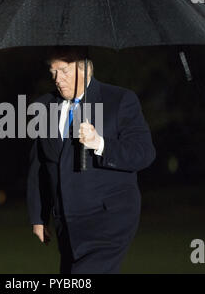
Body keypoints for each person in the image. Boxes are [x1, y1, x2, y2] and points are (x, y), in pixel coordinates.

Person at [26, 46, 156, 274]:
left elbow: (143, 153)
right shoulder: (44, 107)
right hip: (67, 222)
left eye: (64, 71)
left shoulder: (120, 100)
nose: (57, 79)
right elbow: (39, 165)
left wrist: (100, 144)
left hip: (108, 219)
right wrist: (39, 216)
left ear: (85, 69)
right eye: (53, 72)